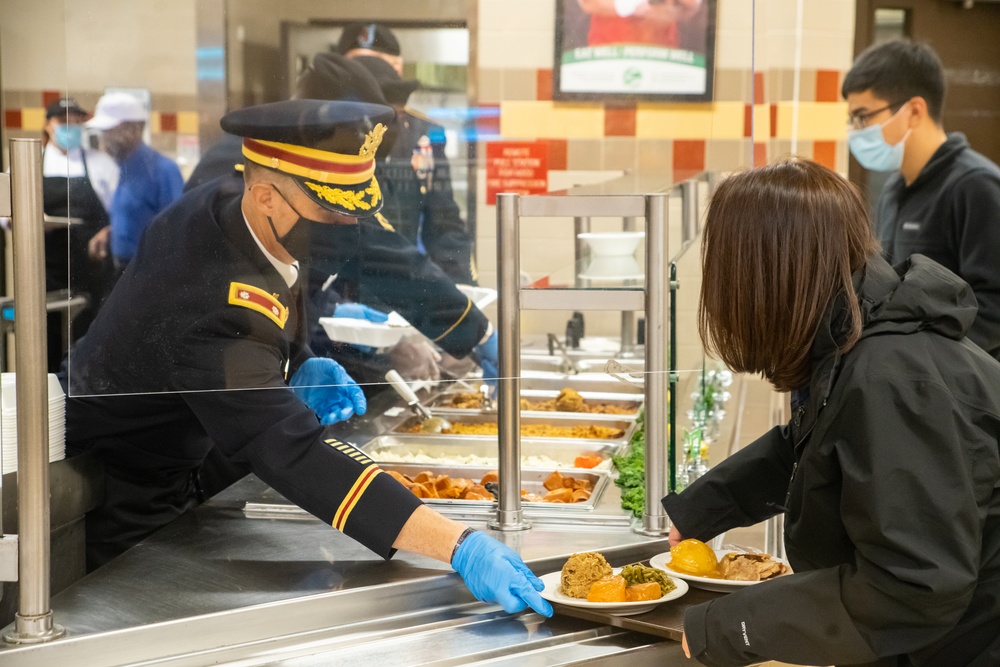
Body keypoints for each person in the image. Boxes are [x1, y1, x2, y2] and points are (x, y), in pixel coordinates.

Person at [64, 98, 551, 619]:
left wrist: (293, 365)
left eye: (354, 207)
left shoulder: (243, 209)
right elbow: (293, 450)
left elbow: (284, 295)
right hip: (128, 487)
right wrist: (459, 546)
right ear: (267, 195)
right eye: (332, 210)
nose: (347, 224)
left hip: (198, 452)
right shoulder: (207, 296)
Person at [661, 159, 1000, 666]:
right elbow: (812, 447)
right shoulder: (857, 334)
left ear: (765, 276)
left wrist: (733, 626)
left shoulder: (893, 378)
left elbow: (911, 590)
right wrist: (699, 511)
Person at [842, 39, 1000, 360]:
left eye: (863, 117)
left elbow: (994, 306)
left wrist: (928, 357)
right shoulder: (892, 192)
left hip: (967, 390)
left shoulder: (976, 187)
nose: (855, 131)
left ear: (914, 110)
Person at [351, 53, 479, 285]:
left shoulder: (422, 138)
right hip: (345, 287)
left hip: (403, 281)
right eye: (385, 119)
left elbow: (444, 223)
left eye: (398, 117)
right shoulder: (333, 145)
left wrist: (462, 291)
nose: (393, 128)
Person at [41, 97, 119, 370]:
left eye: (76, 122)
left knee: (89, 342)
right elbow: (5, 216)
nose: (70, 127)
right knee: (47, 342)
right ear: (48, 125)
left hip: (91, 271)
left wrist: (107, 232)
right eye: (64, 122)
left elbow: (119, 213)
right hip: (46, 273)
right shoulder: (30, 164)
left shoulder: (101, 164)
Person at [85, 91, 184, 273]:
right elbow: (139, 217)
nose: (104, 137)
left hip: (149, 272)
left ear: (135, 128)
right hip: (122, 270)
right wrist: (110, 232)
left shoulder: (162, 170)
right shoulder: (123, 167)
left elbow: (176, 230)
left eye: (110, 130)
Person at [576, 0, 703, 48]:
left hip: (661, 57)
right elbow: (587, 3)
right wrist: (631, 6)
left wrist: (659, 11)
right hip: (607, 54)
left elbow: (691, 5)